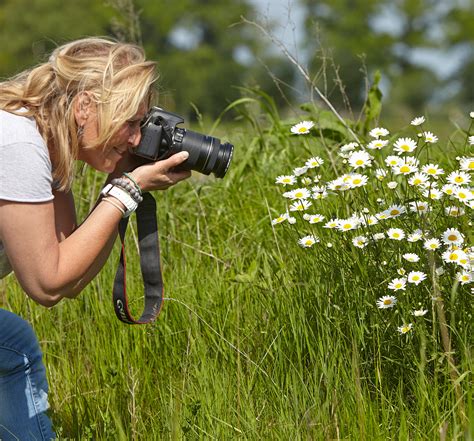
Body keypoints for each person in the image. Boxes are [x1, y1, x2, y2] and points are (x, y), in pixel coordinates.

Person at [0, 37, 191, 440]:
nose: (137, 139)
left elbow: (70, 274)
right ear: (85, 106)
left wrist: (121, 184)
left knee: (11, 345)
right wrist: (127, 192)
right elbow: (45, 284)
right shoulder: (18, 143)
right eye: (131, 123)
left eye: (142, 125)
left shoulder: (48, 147)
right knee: (12, 347)